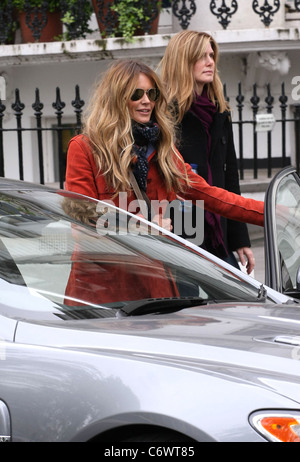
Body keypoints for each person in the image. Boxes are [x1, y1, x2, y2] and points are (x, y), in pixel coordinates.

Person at [64, 60, 264, 304]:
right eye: (136, 94)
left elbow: (211, 195)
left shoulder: (162, 150)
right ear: (116, 98)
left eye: (152, 93)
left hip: (155, 288)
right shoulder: (85, 149)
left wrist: (270, 214)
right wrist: (145, 226)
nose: (146, 101)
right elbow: (81, 231)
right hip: (101, 293)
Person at [159, 30, 255, 275]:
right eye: (201, 56)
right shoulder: (164, 114)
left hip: (218, 229)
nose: (210, 62)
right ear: (183, 61)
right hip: (180, 231)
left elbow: (230, 178)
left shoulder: (219, 111)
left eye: (212, 55)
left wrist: (240, 239)